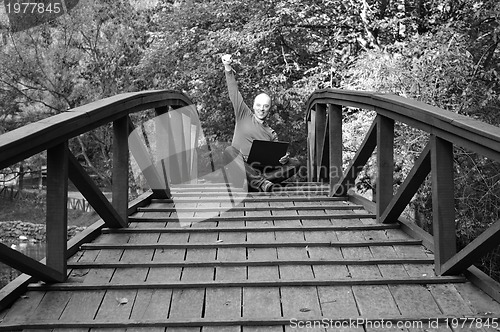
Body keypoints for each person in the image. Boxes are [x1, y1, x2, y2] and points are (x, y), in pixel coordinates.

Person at [221, 54, 299, 192]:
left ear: (269, 108)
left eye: (265, 106)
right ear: (253, 105)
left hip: (260, 170)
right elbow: (233, 91)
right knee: (229, 151)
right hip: (239, 171)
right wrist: (227, 67)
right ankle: (260, 182)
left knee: (295, 163)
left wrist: (284, 159)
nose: (261, 109)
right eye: (258, 105)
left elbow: (276, 161)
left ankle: (256, 182)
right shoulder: (243, 114)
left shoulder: (271, 133)